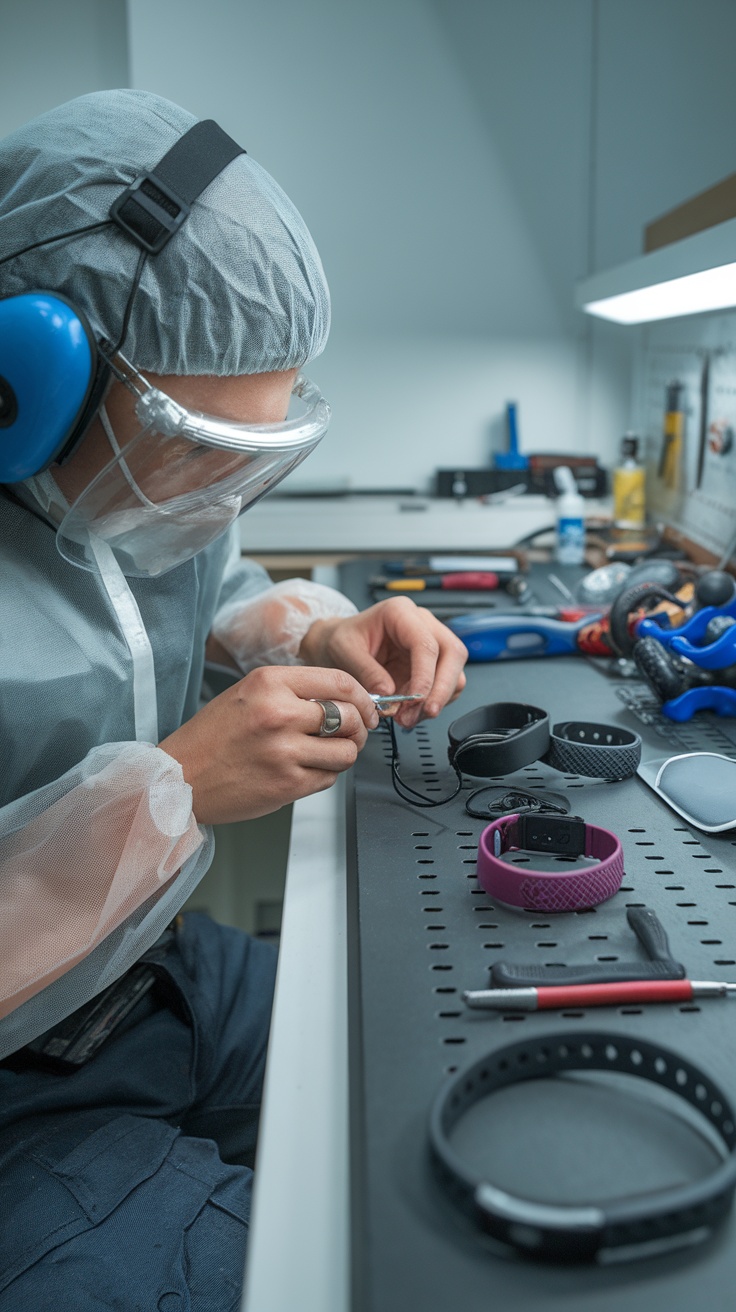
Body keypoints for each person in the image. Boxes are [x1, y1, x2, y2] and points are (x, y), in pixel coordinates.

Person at [0, 89, 468, 1309]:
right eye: (199, 449)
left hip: (149, 973)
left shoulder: (85, 489)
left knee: (438, 1073)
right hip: (19, 1103)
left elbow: (178, 576)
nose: (220, 498)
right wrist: (174, 786)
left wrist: (316, 623)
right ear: (22, 378)